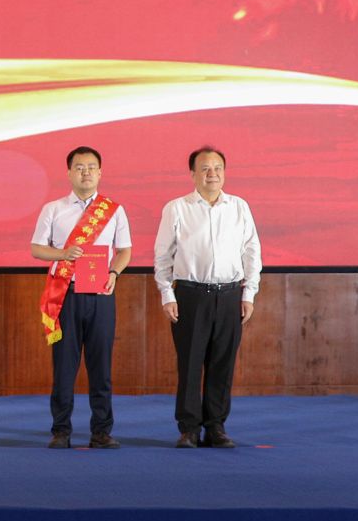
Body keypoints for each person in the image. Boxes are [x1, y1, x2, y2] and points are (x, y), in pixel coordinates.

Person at [153, 146, 262, 449]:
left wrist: (249, 293)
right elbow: (162, 255)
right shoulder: (177, 208)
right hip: (190, 295)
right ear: (193, 174)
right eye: (204, 168)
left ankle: (216, 426)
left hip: (229, 295)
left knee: (222, 365)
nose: (212, 174)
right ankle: (189, 428)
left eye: (217, 168)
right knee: (190, 364)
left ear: (224, 172)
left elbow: (252, 251)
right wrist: (167, 294)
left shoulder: (239, 207)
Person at [28, 146, 132, 449]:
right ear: (69, 173)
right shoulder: (53, 209)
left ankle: (101, 431)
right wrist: (62, 254)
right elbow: (36, 248)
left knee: (101, 366)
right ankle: (61, 430)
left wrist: (114, 273)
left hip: (101, 295)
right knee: (64, 366)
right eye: (79, 167)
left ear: (100, 172)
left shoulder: (114, 210)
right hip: (66, 295)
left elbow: (124, 250)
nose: (86, 172)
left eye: (91, 167)